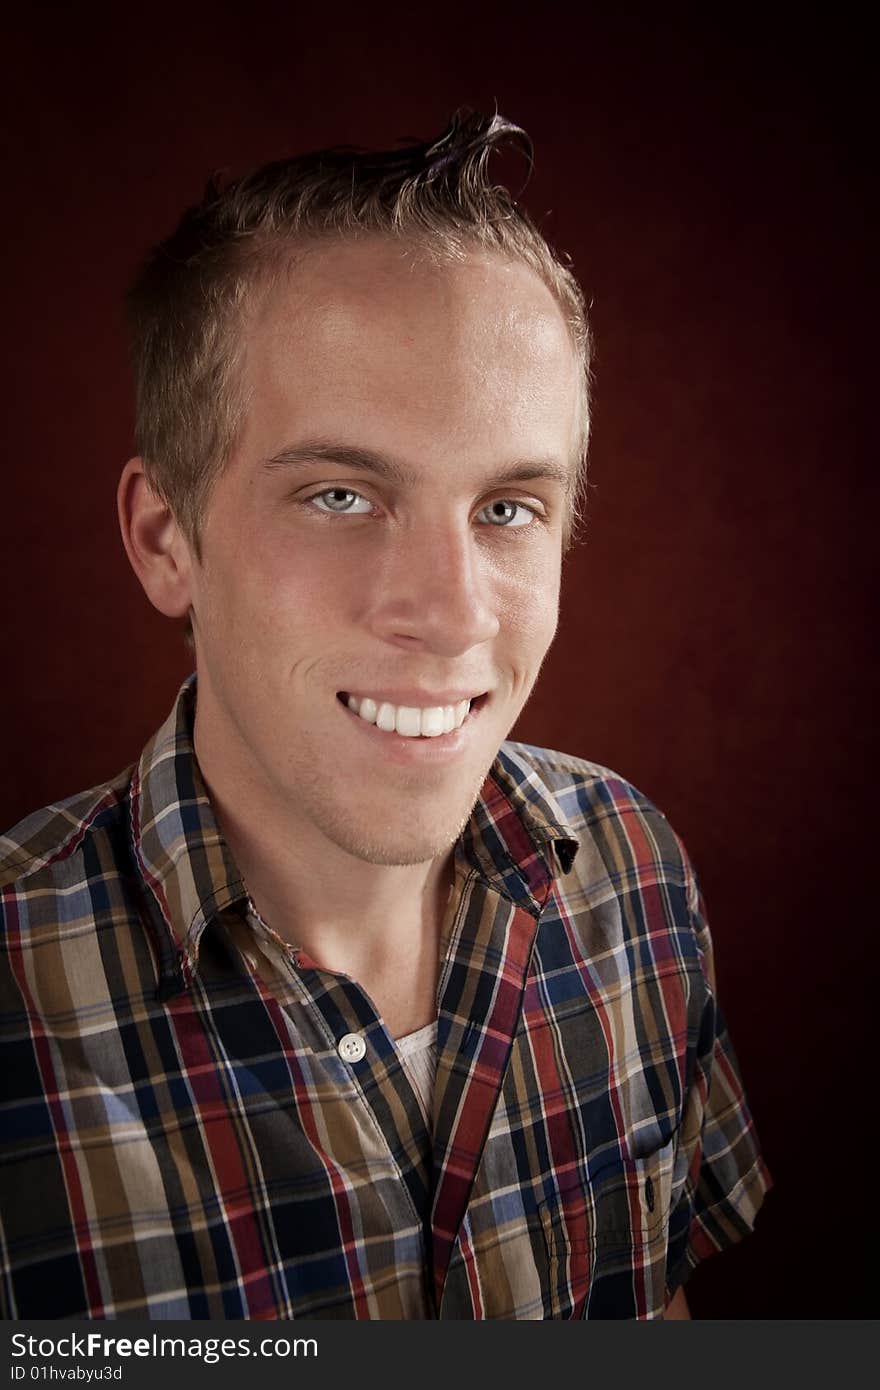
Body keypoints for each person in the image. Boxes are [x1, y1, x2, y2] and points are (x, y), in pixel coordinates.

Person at [0, 111, 769, 1320]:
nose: (450, 614)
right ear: (165, 539)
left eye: (508, 508)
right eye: (343, 493)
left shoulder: (631, 871)